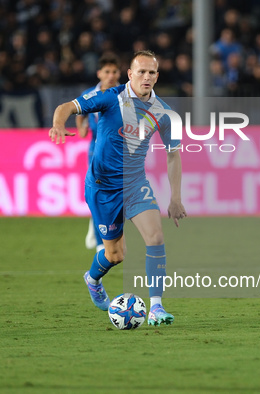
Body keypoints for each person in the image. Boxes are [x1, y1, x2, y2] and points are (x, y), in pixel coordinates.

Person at [49, 50, 187, 326]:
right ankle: (92, 278)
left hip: (135, 184)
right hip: (102, 188)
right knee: (116, 255)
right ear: (130, 74)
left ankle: (156, 307)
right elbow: (66, 107)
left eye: (151, 73)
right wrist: (57, 125)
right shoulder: (110, 98)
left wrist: (175, 198)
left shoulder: (164, 113)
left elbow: (173, 155)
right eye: (141, 72)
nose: (146, 77)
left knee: (156, 238)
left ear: (157, 76)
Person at [75, 53, 121, 252]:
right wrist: (81, 127)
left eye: (114, 71)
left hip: (120, 153)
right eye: (107, 71)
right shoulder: (91, 94)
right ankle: (102, 244)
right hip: (96, 152)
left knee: (118, 198)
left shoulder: (125, 94)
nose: (111, 75)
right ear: (99, 73)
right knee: (100, 195)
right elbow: (79, 112)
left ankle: (99, 230)